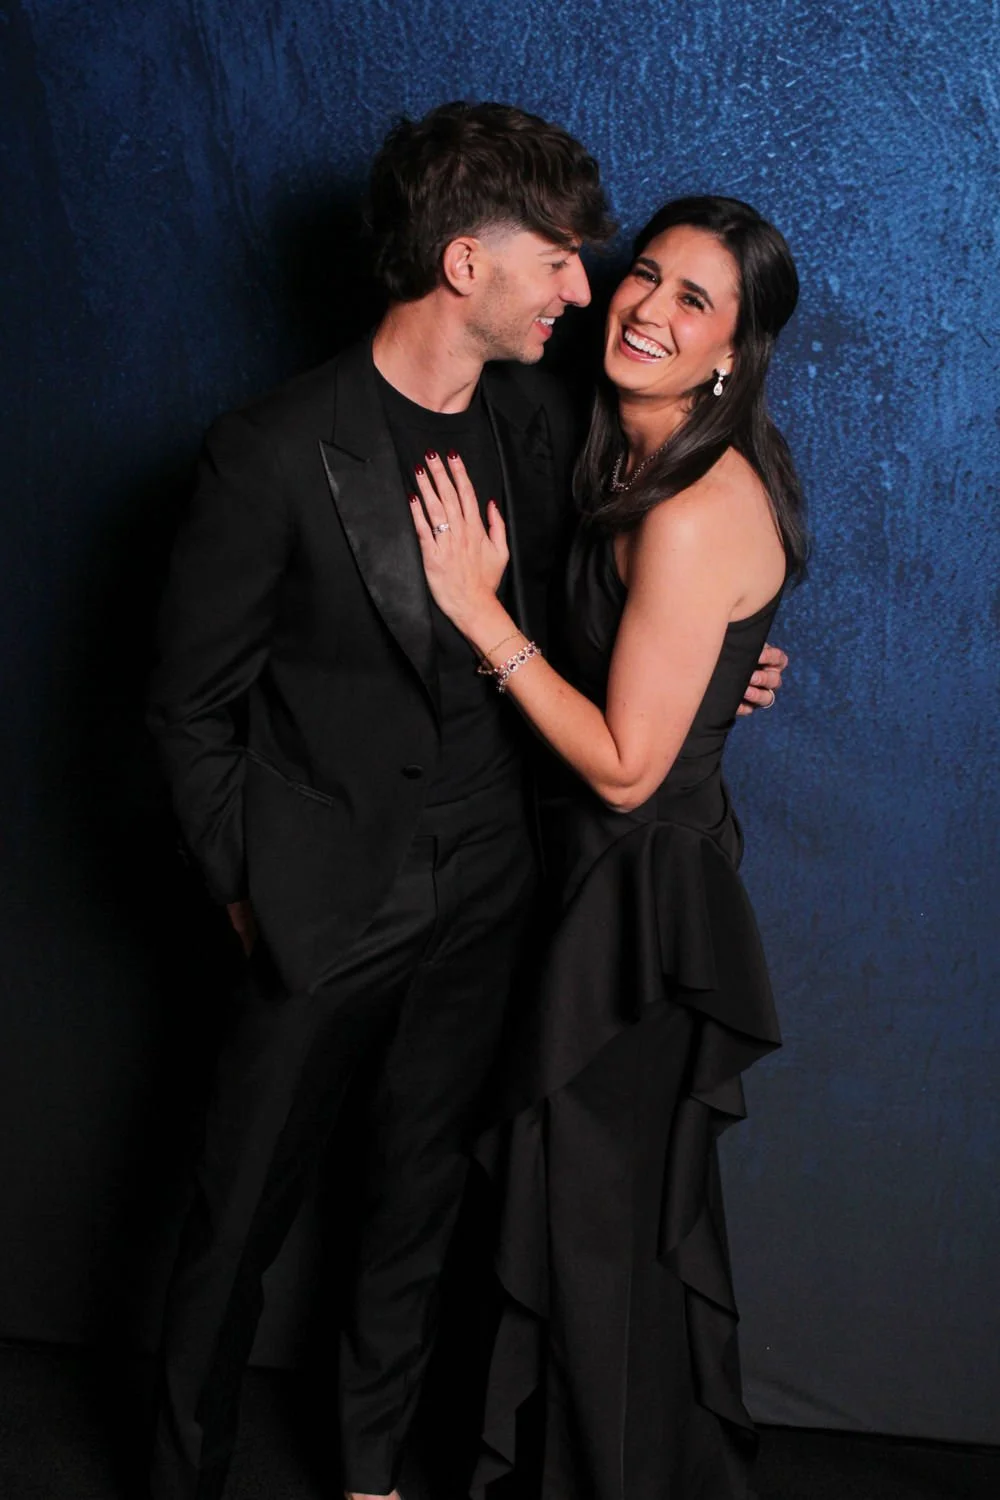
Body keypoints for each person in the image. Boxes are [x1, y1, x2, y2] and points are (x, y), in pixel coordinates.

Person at [147, 96, 787, 1500]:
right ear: (464, 264)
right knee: (235, 1215)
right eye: (561, 259)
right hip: (323, 901)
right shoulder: (272, 450)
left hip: (500, 890)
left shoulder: (544, 423)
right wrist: (248, 890)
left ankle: (371, 1476)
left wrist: (717, 665)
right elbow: (188, 708)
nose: (587, 289)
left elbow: (616, 607)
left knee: (419, 1209)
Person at [408, 194, 804, 1499]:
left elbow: (631, 767)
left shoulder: (690, 508)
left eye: (696, 300)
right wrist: (711, 665)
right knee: (590, 1235)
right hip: (592, 888)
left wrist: (480, 615)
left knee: (596, 1242)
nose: (648, 309)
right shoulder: (621, 462)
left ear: (733, 352)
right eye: (646, 275)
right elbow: (665, 661)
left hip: (636, 916)